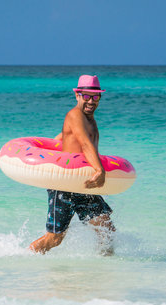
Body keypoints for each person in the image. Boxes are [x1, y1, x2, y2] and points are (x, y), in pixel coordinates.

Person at [29, 75, 115, 255]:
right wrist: (99, 169)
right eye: (87, 96)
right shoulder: (75, 114)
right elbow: (84, 143)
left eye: (96, 96)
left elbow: (63, 138)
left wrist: (54, 148)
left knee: (106, 228)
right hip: (64, 185)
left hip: (82, 184)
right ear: (77, 95)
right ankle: (24, 257)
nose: (91, 101)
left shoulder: (90, 120)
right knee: (54, 239)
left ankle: (105, 272)